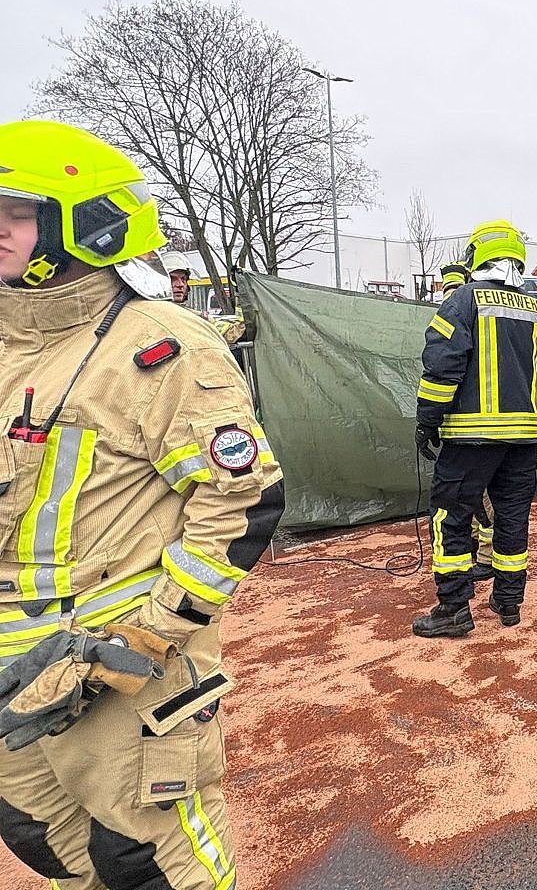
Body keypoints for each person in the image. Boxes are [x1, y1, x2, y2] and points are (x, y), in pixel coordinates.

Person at [0, 120, 285, 889]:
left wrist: (144, 637)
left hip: (117, 669)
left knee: (147, 861)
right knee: (46, 846)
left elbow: (243, 503)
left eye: (17, 212)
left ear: (86, 226)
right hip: (12, 670)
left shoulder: (157, 346)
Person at [413, 220, 537, 637]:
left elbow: (442, 367)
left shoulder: (463, 300)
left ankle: (453, 609)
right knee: (512, 518)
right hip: (524, 439)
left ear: (477, 255)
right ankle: (509, 601)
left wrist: (427, 420)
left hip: (469, 439)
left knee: (450, 518)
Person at [438, 260, 494, 580]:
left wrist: (429, 419)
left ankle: (486, 556)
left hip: (474, 426)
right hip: (475, 423)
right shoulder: (472, 306)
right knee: (474, 500)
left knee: (480, 500)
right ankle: (479, 548)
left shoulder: (460, 308)